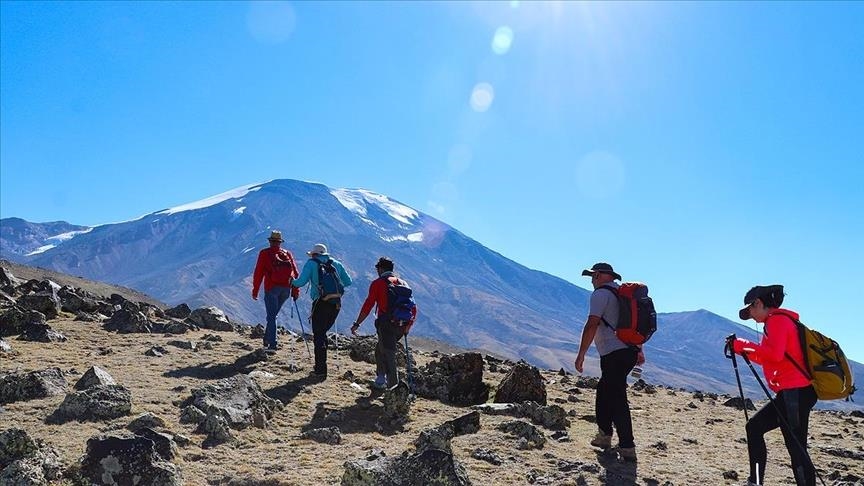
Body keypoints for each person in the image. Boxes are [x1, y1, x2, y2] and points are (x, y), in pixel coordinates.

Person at [729, 285, 816, 486]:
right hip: (794, 392)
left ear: (758, 303)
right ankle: (755, 481)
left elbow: (773, 356)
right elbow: (771, 357)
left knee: (796, 447)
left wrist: (741, 345)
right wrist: (741, 347)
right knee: (756, 428)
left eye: (750, 311)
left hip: (795, 392)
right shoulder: (783, 321)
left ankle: (756, 481)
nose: (751, 317)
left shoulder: (777, 321)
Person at [574, 262, 644, 462]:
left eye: (592, 276)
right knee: (605, 391)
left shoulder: (600, 295)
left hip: (613, 353)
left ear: (597, 275)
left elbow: (592, 324)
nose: (592, 280)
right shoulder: (624, 295)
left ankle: (627, 446)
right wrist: (639, 350)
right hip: (628, 351)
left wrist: (581, 354)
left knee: (616, 397)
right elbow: (634, 324)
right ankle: (604, 435)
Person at [350, 257, 417, 390]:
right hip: (402, 324)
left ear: (380, 269)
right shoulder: (403, 283)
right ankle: (380, 380)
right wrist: (408, 327)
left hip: (386, 324)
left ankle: (394, 388)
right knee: (380, 350)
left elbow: (368, 305)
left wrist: (357, 323)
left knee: (388, 354)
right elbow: (413, 307)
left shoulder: (378, 283)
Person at [291, 243, 352, 377]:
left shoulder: (311, 263)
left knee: (319, 334)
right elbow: (348, 282)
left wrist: (291, 281)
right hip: (335, 303)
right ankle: (321, 365)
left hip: (320, 302)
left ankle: (320, 369)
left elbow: (300, 282)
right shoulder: (336, 263)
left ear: (314, 254)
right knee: (323, 333)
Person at [251, 230, 299, 353]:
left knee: (271, 317)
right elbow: (295, 273)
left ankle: (272, 345)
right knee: (273, 316)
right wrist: (295, 290)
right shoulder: (287, 254)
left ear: (270, 241)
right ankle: (267, 340)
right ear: (280, 242)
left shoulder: (265, 253)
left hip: (272, 288)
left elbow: (258, 273)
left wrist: (255, 290)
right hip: (286, 290)